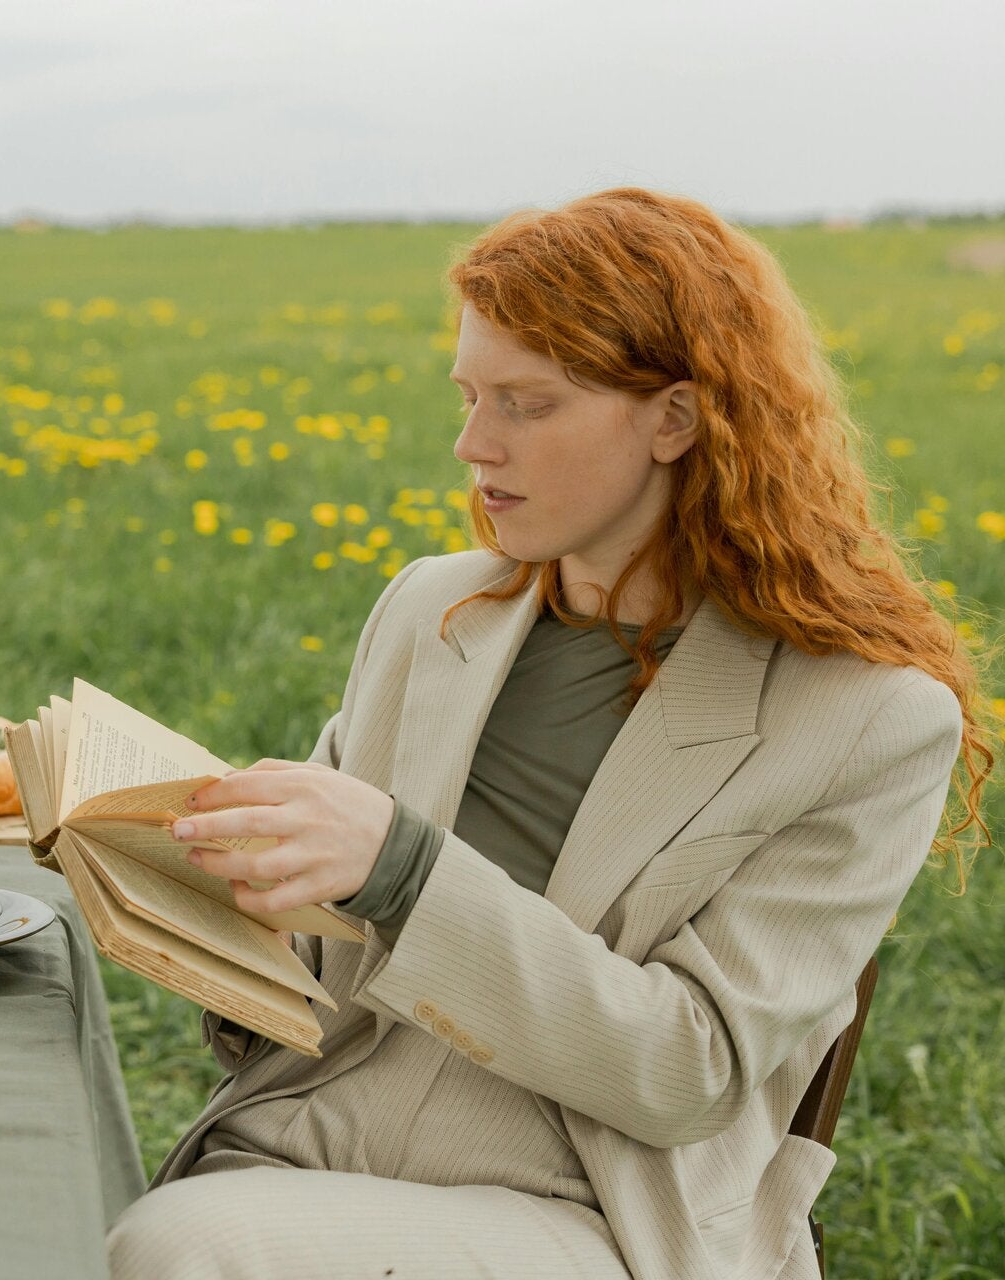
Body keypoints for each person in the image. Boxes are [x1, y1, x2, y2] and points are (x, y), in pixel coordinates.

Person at [105, 188, 994, 1280]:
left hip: (591, 1207)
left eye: (527, 402)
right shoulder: (430, 609)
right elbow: (315, 957)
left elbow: (689, 1069)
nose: (473, 444)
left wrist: (402, 867)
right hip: (309, 1134)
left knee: (172, 1245)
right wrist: (180, 877)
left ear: (676, 417)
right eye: (471, 395)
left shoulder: (867, 716)